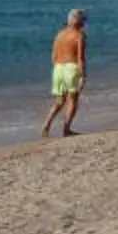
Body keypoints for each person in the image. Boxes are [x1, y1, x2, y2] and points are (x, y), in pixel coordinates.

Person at [42, 9, 88, 138]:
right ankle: (66, 129)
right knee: (73, 100)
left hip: (58, 68)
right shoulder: (79, 35)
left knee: (59, 101)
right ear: (78, 21)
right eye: (83, 20)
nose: (84, 23)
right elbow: (80, 57)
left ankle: (47, 123)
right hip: (71, 67)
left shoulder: (59, 34)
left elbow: (53, 56)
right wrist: (83, 75)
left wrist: (58, 67)